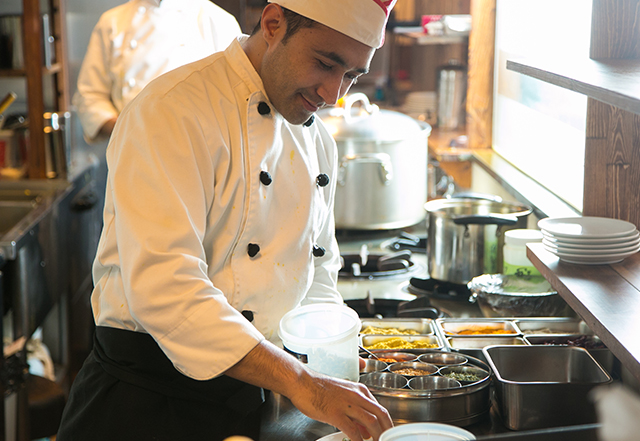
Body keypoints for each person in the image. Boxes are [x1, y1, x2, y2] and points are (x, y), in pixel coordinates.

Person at [57, 1, 396, 440]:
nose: (334, 94)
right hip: (148, 404)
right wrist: (301, 382)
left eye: (351, 76)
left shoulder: (317, 141)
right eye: (325, 64)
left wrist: (333, 357)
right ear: (273, 24)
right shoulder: (170, 111)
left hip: (255, 399)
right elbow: (167, 290)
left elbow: (317, 276)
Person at [73, 0, 242, 142]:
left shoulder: (220, 22)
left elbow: (237, 101)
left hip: (199, 152)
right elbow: (89, 95)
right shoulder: (113, 22)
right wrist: (126, 131)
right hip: (132, 152)